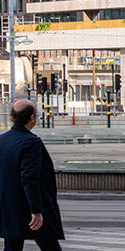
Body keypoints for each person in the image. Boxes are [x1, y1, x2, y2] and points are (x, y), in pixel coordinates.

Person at [0, 99, 65, 251]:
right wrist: (36, 210)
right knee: (50, 245)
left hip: (9, 206)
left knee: (13, 245)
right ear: (31, 118)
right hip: (28, 208)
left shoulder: (2, 140)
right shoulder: (31, 142)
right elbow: (30, 178)